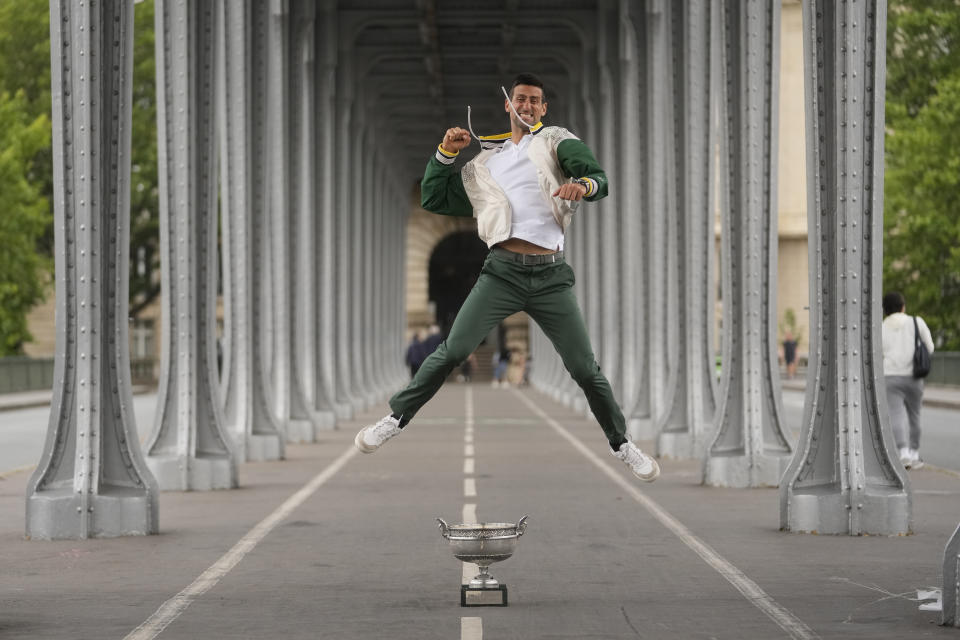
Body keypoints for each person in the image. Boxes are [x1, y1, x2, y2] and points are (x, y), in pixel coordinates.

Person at [355, 73, 659, 482]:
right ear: (507, 104)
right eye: (521, 99)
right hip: (501, 273)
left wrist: (581, 186)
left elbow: (597, 178)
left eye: (535, 100)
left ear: (543, 108)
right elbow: (434, 198)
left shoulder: (555, 141)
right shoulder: (485, 165)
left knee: (585, 370)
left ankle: (622, 444)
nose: (528, 105)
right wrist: (446, 153)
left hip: (551, 277)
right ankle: (395, 418)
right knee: (452, 351)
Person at [882, 291, 934, 470]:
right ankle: (914, 453)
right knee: (915, 414)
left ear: (885, 310)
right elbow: (930, 347)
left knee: (896, 414)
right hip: (914, 375)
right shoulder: (916, 322)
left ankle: (903, 453)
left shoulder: (881, 327)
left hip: (890, 376)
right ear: (903, 307)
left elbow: (878, 352)